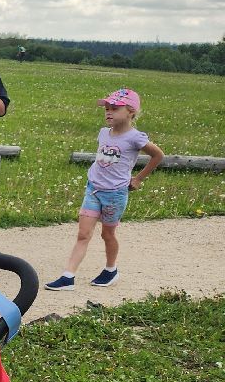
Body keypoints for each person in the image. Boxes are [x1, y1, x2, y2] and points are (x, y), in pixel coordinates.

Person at [45, 88, 163, 290]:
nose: (109, 112)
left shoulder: (136, 138)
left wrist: (138, 179)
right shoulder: (103, 133)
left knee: (107, 234)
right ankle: (68, 276)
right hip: (93, 190)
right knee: (83, 234)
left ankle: (110, 270)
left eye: (115, 108)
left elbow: (158, 156)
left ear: (131, 112)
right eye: (107, 108)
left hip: (115, 194)